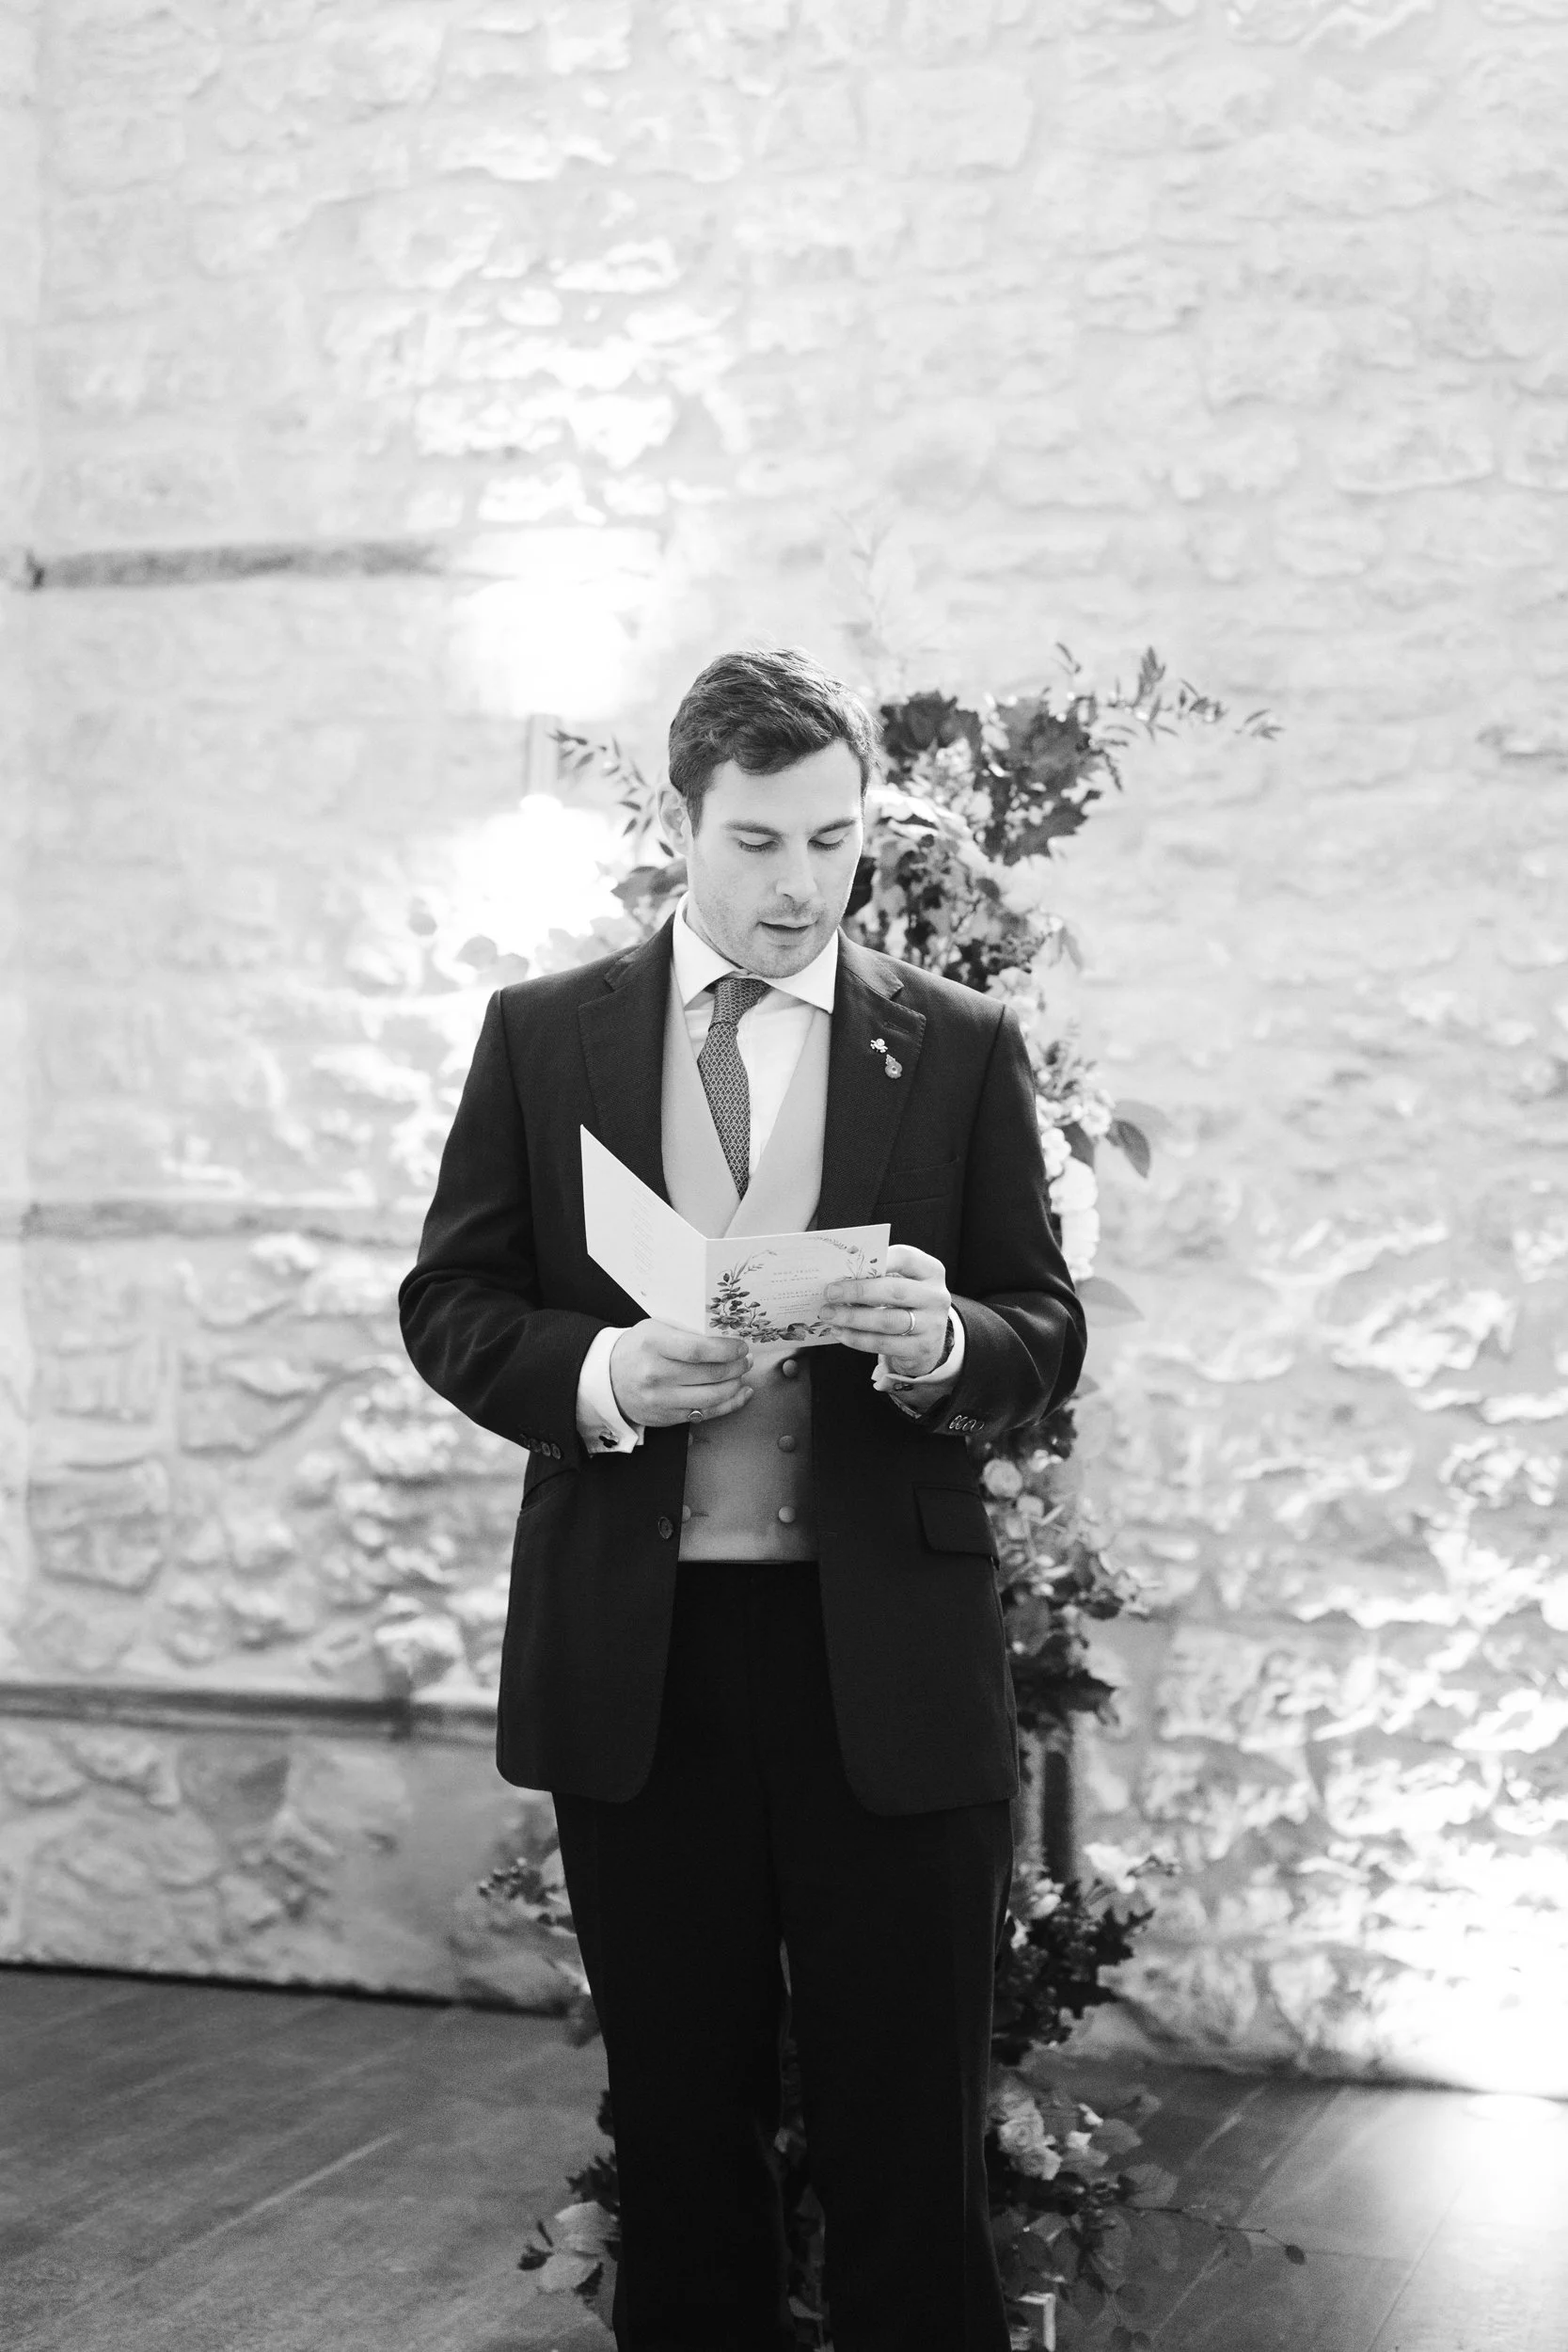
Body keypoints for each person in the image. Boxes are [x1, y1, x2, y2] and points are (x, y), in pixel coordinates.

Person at [399, 646, 1086, 2352]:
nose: (802, 885)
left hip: (890, 1661)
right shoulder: (542, 1036)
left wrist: (940, 1337)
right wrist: (604, 1379)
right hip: (646, 1664)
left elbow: (1043, 1326)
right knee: (681, 2135)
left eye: (834, 842)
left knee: (907, 2140)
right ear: (683, 830)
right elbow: (454, 1301)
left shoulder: (957, 1043)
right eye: (762, 843)